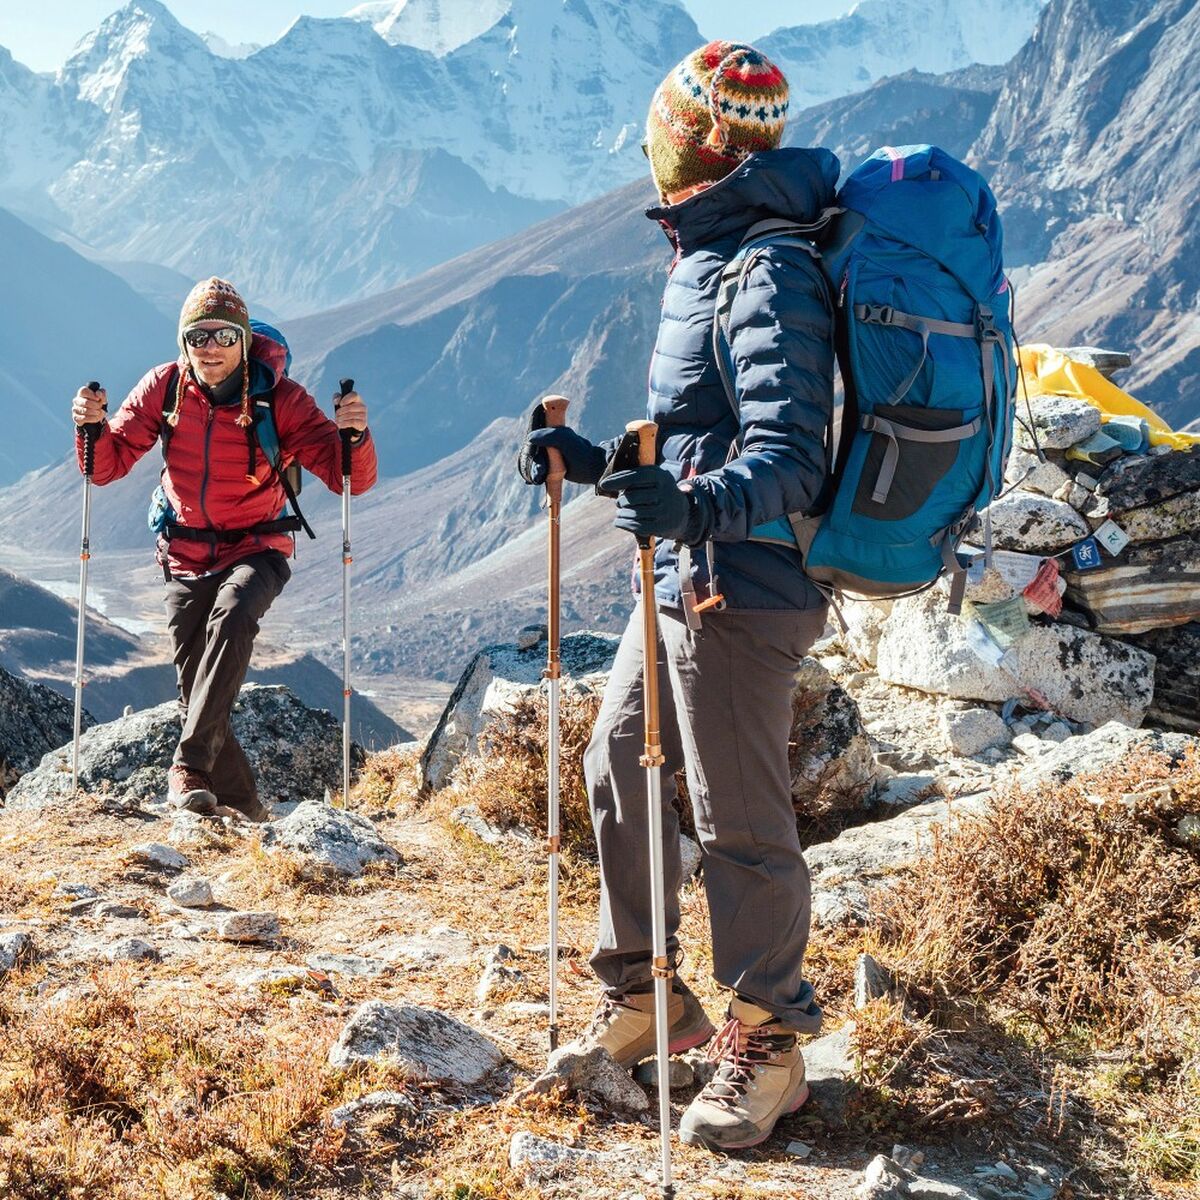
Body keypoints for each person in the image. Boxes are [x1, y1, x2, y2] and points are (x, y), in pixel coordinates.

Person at [519, 42, 839, 1151]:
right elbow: (698, 442)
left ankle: (771, 1047)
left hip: (745, 588)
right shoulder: (708, 255)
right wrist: (599, 461)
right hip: (685, 572)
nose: (646, 150)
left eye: (659, 131)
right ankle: (651, 996)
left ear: (689, 144)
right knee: (616, 758)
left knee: (740, 820)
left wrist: (694, 510)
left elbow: (792, 458)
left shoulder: (771, 270)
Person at [71, 277, 377, 821]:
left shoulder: (279, 399)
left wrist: (355, 435)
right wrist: (91, 428)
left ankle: (187, 767)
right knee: (198, 693)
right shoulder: (164, 388)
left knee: (233, 618)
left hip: (258, 545)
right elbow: (109, 466)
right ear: (183, 341)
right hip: (184, 551)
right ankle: (244, 808)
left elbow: (346, 476)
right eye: (197, 335)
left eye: (222, 335)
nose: (209, 347)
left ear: (242, 339)